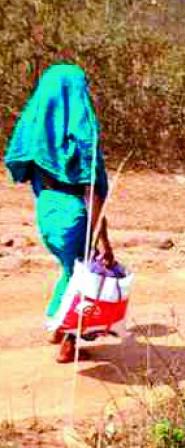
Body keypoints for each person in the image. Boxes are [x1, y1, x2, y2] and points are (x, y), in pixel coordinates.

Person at [4, 63, 114, 363]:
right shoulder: (82, 138)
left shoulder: (37, 134)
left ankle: (55, 326)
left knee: (69, 269)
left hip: (47, 211)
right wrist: (102, 238)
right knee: (81, 274)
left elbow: (20, 163)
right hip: (73, 213)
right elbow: (93, 188)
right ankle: (69, 341)